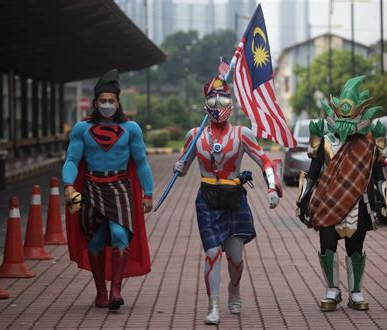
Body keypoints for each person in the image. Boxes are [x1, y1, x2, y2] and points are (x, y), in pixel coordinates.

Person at [173, 76, 282, 324]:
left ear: (231, 102)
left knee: (235, 259)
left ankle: (234, 287)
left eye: (223, 97)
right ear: (205, 103)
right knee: (212, 253)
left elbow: (265, 161)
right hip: (208, 200)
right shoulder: (195, 134)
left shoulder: (242, 134)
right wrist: (178, 166)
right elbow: (182, 168)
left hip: (234, 200)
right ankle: (213, 306)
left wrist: (272, 187)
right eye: (213, 97)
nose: (218, 103)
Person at [297, 76, 387, 312]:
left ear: (360, 115)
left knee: (355, 247)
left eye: (350, 116)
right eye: (342, 116)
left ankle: (356, 291)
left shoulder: (368, 144)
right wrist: (303, 199)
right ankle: (332, 290)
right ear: (334, 113)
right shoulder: (325, 141)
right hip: (328, 200)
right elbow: (313, 173)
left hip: (358, 201)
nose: (346, 121)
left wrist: (383, 200)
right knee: (327, 244)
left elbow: (379, 175)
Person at [62, 69, 153, 310]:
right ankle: (101, 290)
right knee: (96, 241)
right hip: (91, 187)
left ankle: (116, 290)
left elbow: (141, 161)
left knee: (120, 235)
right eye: (103, 101)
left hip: (120, 187)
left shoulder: (131, 129)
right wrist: (69, 186)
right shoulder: (81, 129)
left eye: (111, 101)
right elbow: (72, 160)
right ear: (95, 103)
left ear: (118, 102)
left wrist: (148, 193)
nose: (107, 105)